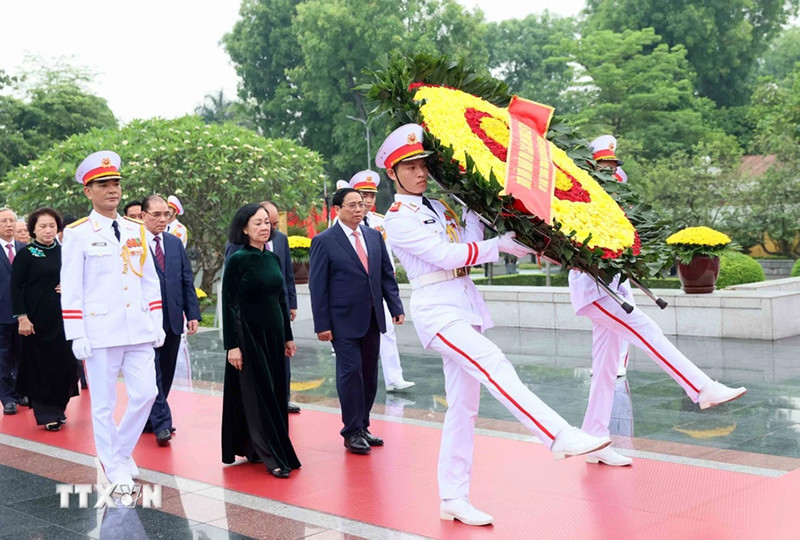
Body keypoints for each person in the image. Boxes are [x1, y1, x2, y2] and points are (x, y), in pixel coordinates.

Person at [378, 124, 611, 526]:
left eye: (422, 165)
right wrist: (497, 246)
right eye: (409, 166)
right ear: (392, 173)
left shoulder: (439, 205)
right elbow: (444, 255)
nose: (419, 172)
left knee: (464, 408)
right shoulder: (398, 217)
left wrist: (474, 206)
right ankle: (557, 435)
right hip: (438, 309)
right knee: (495, 364)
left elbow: (466, 239)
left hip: (464, 305)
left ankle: (452, 496)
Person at [61, 150, 164, 488]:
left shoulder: (137, 229)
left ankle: (117, 450)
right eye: (103, 184)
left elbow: (149, 279)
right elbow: (72, 287)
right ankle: (113, 464)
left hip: (138, 327)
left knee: (146, 393)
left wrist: (158, 320)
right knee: (103, 405)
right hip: (100, 330)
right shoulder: (77, 233)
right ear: (88, 192)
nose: (112, 189)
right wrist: (76, 333)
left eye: (116, 183)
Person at [308, 188, 404, 455]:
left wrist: (395, 306)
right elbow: (318, 287)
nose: (359, 209)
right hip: (342, 321)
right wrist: (322, 325)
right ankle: (351, 432)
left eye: (361, 204)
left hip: (372, 318)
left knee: (370, 377)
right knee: (350, 375)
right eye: (352, 205)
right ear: (337, 209)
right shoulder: (325, 241)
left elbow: (385, 275)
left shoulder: (373, 237)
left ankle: (363, 425)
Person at [221, 203, 300, 478]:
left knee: (277, 394)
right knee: (257, 397)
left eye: (267, 222)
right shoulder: (238, 259)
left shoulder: (273, 259)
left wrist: (288, 338)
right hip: (248, 337)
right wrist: (232, 345)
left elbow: (280, 299)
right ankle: (270, 456)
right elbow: (228, 304)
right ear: (244, 228)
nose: (265, 227)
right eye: (258, 223)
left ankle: (267, 447)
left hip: (274, 336)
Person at [140, 195, 201, 446]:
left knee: (165, 371)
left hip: (173, 319)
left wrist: (193, 313)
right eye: (156, 215)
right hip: (145, 321)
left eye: (166, 214)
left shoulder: (174, 243)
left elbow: (186, 279)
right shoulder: (133, 244)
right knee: (151, 371)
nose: (162, 219)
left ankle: (149, 418)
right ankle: (162, 422)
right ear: (143, 216)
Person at [347, 171, 415, 392]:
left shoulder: (381, 222)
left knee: (388, 331)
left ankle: (394, 378)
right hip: (355, 291)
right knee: (355, 337)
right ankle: (357, 380)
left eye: (371, 196)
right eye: (363, 195)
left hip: (380, 287)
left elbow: (390, 254)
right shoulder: (344, 226)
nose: (367, 201)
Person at [11, 208, 78, 430]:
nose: (48, 230)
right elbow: (15, 288)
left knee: (66, 365)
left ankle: (59, 407)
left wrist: (69, 287)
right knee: (41, 366)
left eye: (51, 226)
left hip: (64, 319)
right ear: (33, 229)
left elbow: (79, 278)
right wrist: (22, 317)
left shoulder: (65, 251)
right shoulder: (26, 254)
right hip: (37, 320)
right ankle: (47, 413)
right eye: (42, 226)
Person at [586, 135, 629, 377]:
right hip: (595, 259)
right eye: (605, 167)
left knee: (626, 308)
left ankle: (619, 361)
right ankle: (602, 362)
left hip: (617, 258)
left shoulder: (617, 192)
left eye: (613, 167)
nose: (610, 171)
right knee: (600, 316)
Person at [0, 208, 28, 415]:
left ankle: (21, 392)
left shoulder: (24, 248)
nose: (9, 224)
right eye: (4, 221)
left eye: (12, 220)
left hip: (24, 314)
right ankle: (7, 397)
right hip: (2, 313)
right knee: (3, 357)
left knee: (23, 355)